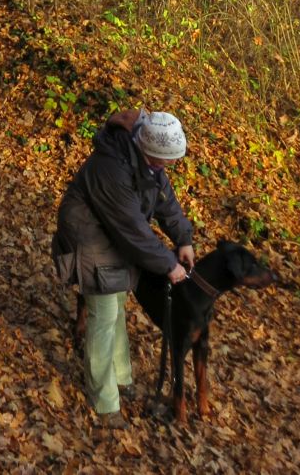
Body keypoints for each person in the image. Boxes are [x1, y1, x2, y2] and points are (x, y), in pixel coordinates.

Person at [52, 109, 195, 428]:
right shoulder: (111, 168)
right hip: (88, 233)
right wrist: (168, 264)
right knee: (103, 312)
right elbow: (133, 229)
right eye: (163, 161)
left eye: (170, 162)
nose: (167, 167)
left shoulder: (151, 159)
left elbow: (165, 200)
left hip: (113, 230)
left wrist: (183, 238)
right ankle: (104, 401)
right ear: (147, 149)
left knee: (116, 303)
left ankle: (120, 377)